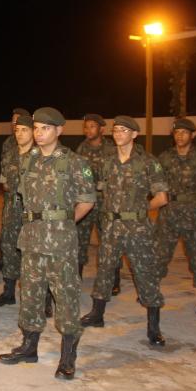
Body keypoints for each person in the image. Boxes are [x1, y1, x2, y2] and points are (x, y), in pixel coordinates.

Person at [0, 107, 95, 380]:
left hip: (60, 241)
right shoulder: (27, 161)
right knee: (30, 294)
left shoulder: (75, 162)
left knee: (65, 297)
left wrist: (64, 222)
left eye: (45, 128)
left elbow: (87, 200)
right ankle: (29, 347)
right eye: (36, 128)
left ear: (59, 131)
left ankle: (67, 356)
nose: (39, 134)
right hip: (31, 238)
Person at [80, 116, 169, 346]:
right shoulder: (108, 162)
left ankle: (154, 327)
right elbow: (100, 190)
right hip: (110, 226)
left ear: (134, 134)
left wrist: (139, 210)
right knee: (105, 269)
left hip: (137, 227)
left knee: (145, 273)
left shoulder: (148, 162)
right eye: (116, 130)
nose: (118, 134)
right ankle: (97, 314)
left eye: (124, 130)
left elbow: (161, 197)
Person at [155, 118, 196, 315]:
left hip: (193, 213)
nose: (180, 136)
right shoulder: (164, 157)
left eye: (185, 133)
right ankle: (151, 291)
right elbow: (156, 181)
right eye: (177, 132)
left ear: (193, 135)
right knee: (160, 253)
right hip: (168, 212)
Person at [0, 114, 34, 307]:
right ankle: (8, 292)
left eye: (25, 130)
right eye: (17, 130)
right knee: (9, 248)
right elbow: (4, 183)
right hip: (12, 208)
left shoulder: (41, 156)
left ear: (34, 132)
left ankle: (42, 298)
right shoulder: (10, 155)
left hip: (33, 211)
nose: (20, 134)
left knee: (33, 252)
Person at [75, 113, 117, 280]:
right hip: (84, 202)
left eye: (92, 126)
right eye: (86, 126)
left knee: (108, 242)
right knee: (79, 240)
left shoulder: (111, 149)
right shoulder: (81, 148)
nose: (88, 130)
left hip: (105, 203)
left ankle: (113, 279)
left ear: (102, 129)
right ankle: (77, 276)